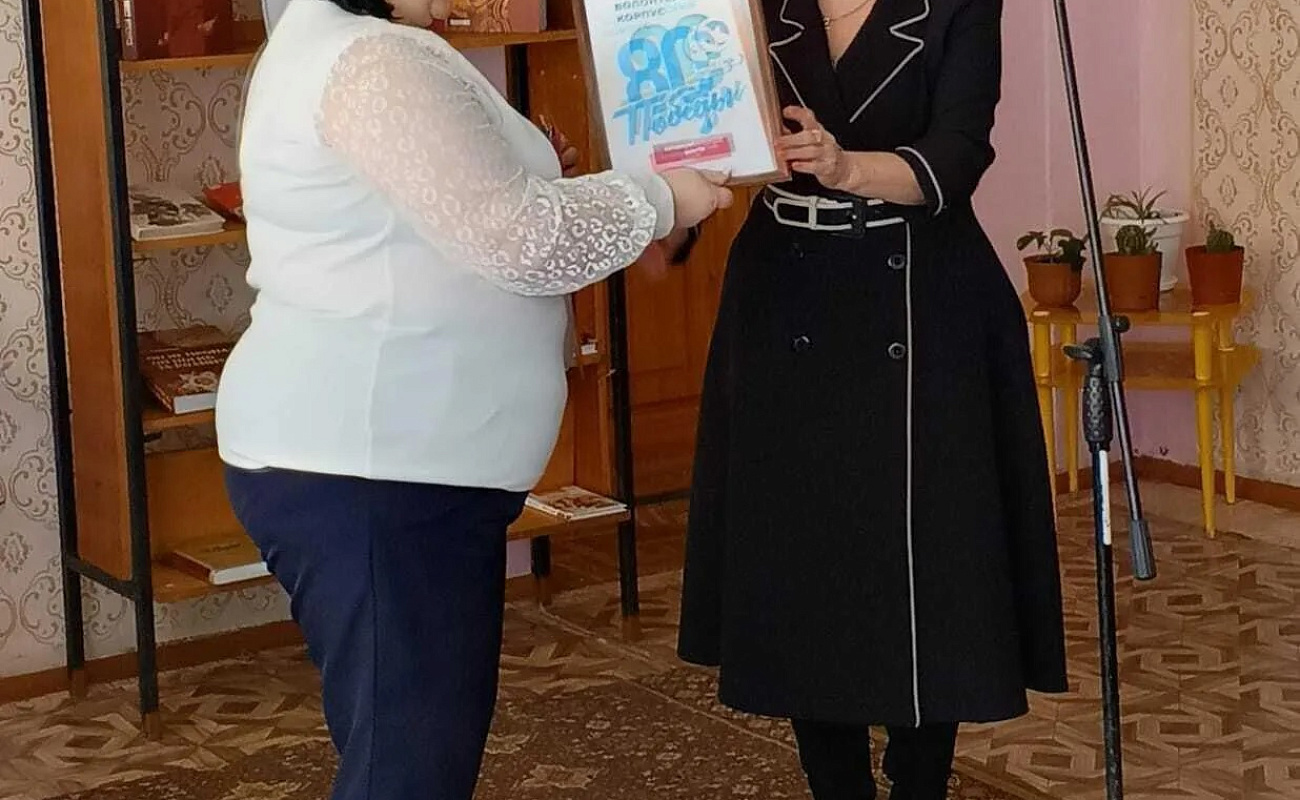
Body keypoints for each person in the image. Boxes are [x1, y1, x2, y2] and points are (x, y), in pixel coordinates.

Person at [217, 1, 731, 799]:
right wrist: (660, 200)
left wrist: (559, 182)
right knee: (409, 769)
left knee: (404, 749)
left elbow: (456, 210)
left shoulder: (355, 44)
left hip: (389, 465)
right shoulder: (374, 60)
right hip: (377, 468)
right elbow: (520, 240)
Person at [677, 0, 1069, 798]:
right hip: (784, 296)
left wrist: (846, 166)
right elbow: (702, 136)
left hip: (926, 298)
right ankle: (834, 782)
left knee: (937, 557)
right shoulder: (749, 8)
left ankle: (921, 778)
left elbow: (958, 154)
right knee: (804, 557)